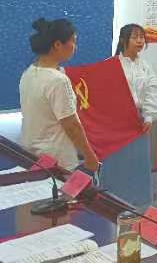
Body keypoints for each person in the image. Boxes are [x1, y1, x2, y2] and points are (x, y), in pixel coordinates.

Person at [20, 19, 99, 173]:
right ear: (57, 44)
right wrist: (90, 156)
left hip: (32, 156)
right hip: (57, 161)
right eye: (73, 41)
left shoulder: (28, 73)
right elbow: (72, 126)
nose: (75, 47)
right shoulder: (58, 81)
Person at [100, 23, 157, 208]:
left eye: (142, 37)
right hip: (115, 125)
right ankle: (111, 203)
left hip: (138, 123)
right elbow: (102, 94)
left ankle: (138, 206)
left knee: (137, 166)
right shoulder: (110, 64)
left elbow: (154, 90)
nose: (140, 41)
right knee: (116, 166)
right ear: (123, 40)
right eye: (135, 37)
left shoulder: (145, 66)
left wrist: (149, 116)